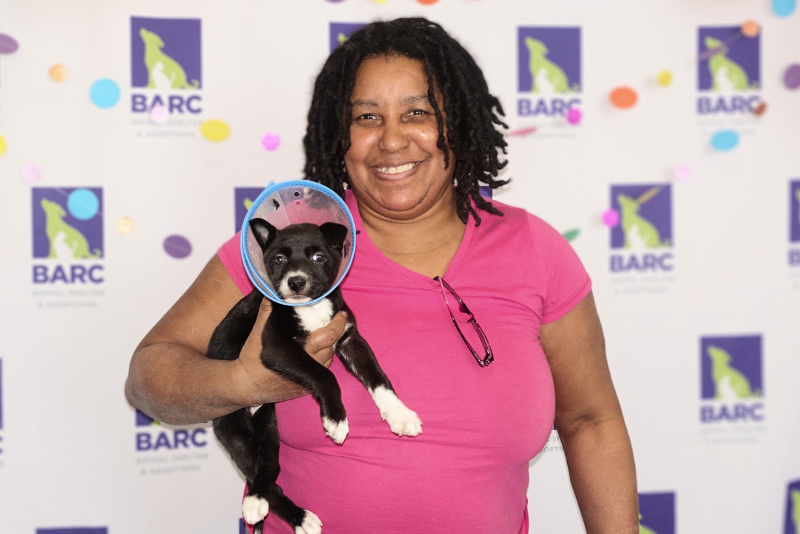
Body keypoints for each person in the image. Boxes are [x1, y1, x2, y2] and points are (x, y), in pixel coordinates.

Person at [126, 18, 638, 534]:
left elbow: (591, 423)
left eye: (417, 112)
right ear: (339, 136)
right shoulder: (285, 253)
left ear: (456, 122)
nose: (392, 140)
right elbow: (149, 379)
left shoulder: (534, 250)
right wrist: (240, 381)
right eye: (367, 117)